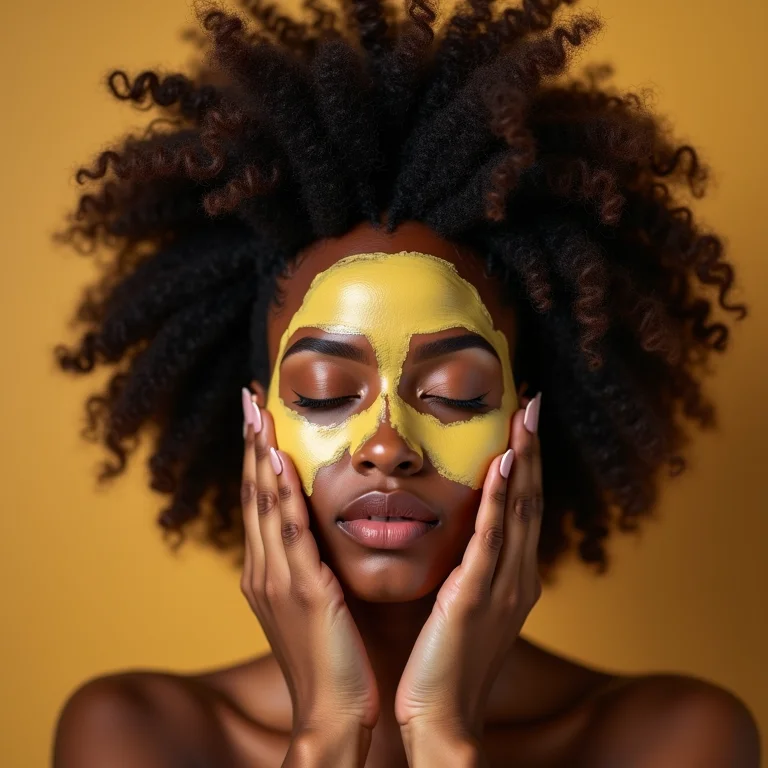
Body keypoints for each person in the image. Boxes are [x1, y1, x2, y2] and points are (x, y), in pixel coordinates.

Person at [50, 0, 760, 766]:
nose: (387, 446)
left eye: (456, 391)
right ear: (255, 422)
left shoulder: (676, 738)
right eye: (325, 392)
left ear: (530, 419)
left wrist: (444, 737)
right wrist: (326, 731)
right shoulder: (136, 735)